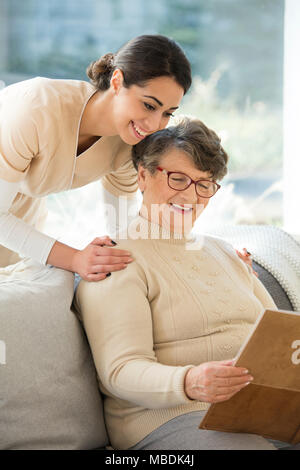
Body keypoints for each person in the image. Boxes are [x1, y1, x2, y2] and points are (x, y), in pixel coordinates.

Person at [74, 115, 296, 451]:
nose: (191, 196)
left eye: (204, 184)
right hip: (172, 417)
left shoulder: (225, 251)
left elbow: (282, 336)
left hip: (258, 408)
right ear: (143, 176)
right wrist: (189, 381)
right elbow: (120, 371)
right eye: (178, 179)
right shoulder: (115, 260)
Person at [0, 35, 191, 282]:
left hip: (18, 225)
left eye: (167, 113)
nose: (155, 124)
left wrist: (199, 260)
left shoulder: (128, 146)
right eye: (148, 105)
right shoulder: (35, 111)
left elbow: (122, 229)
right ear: (117, 81)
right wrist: (75, 259)